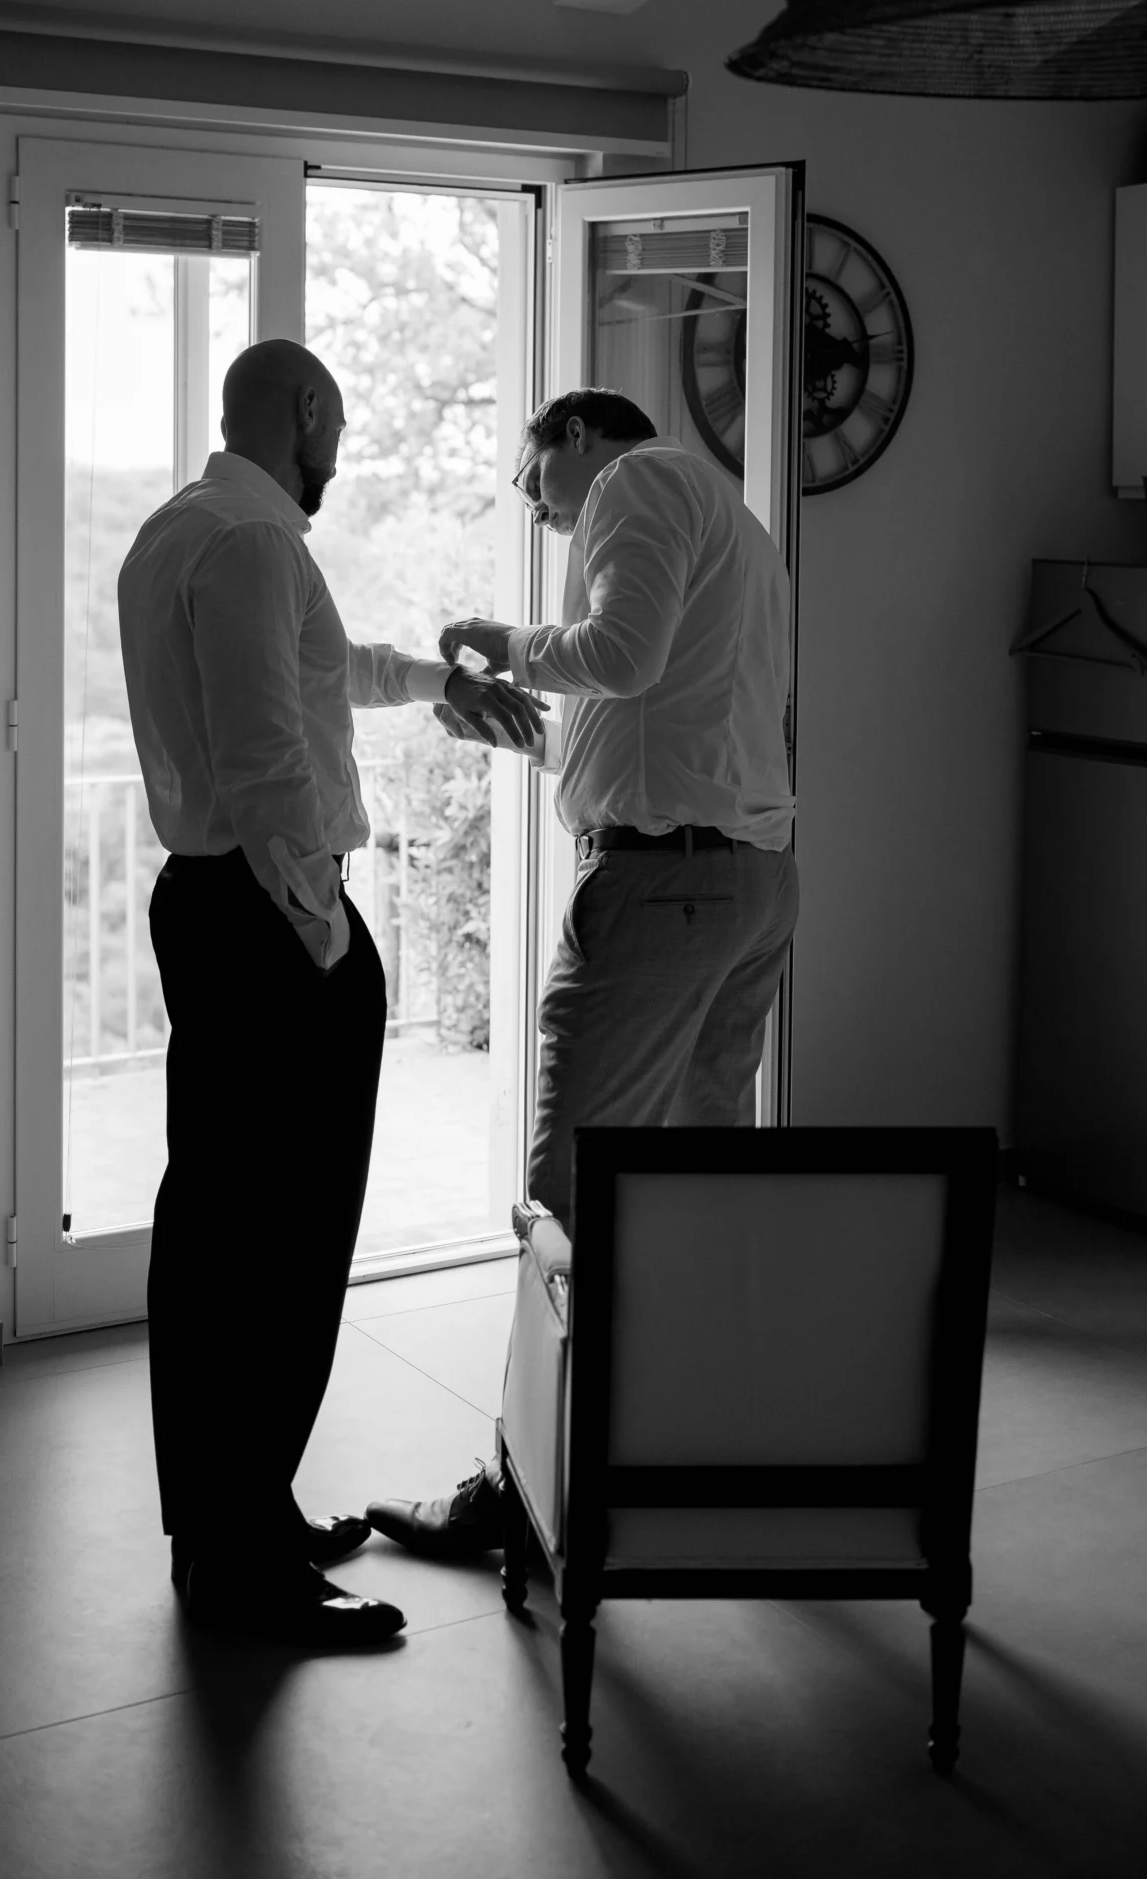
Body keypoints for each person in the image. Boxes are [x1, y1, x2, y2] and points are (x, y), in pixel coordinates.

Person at [117, 337, 543, 1646]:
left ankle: (233, 1519)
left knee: (217, 1238)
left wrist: (435, 684)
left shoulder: (185, 530)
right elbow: (263, 760)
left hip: (216, 906)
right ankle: (250, 1565)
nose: (338, 459)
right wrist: (318, 933)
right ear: (304, 412)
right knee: (279, 1247)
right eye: (338, 428)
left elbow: (322, 672)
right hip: (266, 920)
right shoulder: (251, 540)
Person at [366, 386, 799, 1560]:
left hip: (666, 893)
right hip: (745, 882)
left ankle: (522, 1495)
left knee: (564, 1191)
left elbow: (621, 651)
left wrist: (500, 640)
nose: (540, 512)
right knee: (690, 1183)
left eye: (529, 482)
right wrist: (530, 732)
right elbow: (662, 712)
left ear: (570, 436)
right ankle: (695, 1445)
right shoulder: (738, 524)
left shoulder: (635, 480)